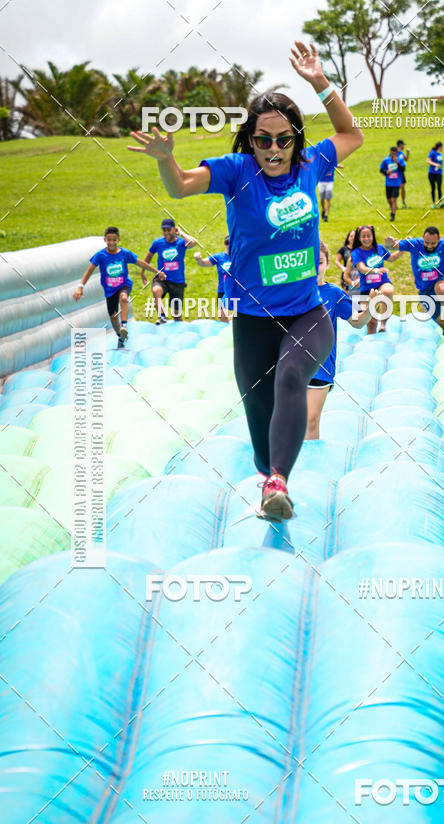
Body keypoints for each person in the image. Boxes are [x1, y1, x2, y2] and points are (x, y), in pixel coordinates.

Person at [128, 39, 363, 522]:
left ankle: (277, 485)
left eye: (283, 139)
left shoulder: (312, 163)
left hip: (307, 310)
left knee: (295, 376)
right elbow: (181, 185)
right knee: (260, 432)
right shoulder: (236, 172)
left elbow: (352, 134)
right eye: (262, 140)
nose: (273, 149)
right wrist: (164, 161)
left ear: (296, 138)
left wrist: (320, 82)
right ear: (249, 140)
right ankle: (269, 469)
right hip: (253, 320)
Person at [305, 241, 373, 439]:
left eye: (320, 262)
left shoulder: (334, 293)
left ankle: (311, 465)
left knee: (310, 420)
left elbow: (358, 323)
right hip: (292, 364)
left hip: (321, 365)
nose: (315, 267)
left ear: (327, 264)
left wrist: (370, 308)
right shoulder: (293, 292)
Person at [73, 226, 164, 348]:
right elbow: (89, 271)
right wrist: (80, 286)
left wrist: (156, 271)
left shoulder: (124, 253)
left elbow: (140, 262)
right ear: (105, 240)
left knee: (124, 298)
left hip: (123, 285)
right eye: (109, 240)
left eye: (114, 240)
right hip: (109, 290)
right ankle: (120, 336)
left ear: (118, 240)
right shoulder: (100, 255)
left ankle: (124, 326)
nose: (111, 242)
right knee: (113, 317)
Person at [141, 218, 196, 324]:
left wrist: (180, 233)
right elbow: (148, 257)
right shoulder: (157, 243)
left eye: (168, 230)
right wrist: (143, 272)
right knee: (156, 291)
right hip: (162, 277)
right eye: (164, 230)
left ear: (174, 229)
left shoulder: (180, 243)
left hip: (178, 281)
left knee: (177, 315)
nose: (166, 232)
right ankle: (162, 318)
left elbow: (193, 243)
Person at [350, 224, 402, 334]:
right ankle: (371, 337)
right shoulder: (356, 252)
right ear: (359, 238)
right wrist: (375, 270)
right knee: (371, 323)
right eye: (363, 236)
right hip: (367, 289)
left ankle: (383, 324)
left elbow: (392, 258)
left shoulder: (379, 248)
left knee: (388, 291)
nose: (366, 239)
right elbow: (362, 268)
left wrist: (405, 248)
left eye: (368, 236)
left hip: (382, 283)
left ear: (372, 236)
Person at [194, 236, 233, 323]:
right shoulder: (219, 257)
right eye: (227, 243)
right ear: (224, 244)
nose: (228, 245)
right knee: (222, 318)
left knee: (241, 317)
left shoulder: (238, 257)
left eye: (230, 243)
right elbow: (203, 263)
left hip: (236, 290)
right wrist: (198, 259)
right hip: (222, 290)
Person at [380, 145, 401, 220]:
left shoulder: (399, 159)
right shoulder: (386, 160)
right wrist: (386, 172)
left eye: (394, 153)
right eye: (392, 153)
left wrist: (397, 162)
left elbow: (403, 169)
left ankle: (393, 214)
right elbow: (381, 170)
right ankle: (392, 208)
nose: (393, 154)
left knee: (394, 199)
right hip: (388, 183)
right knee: (389, 199)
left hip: (396, 183)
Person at [427, 141, 444, 208]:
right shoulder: (432, 153)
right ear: (440, 147)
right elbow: (428, 161)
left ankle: (440, 202)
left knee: (439, 187)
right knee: (433, 188)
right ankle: (433, 203)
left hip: (439, 173)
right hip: (432, 173)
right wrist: (435, 164)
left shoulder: (440, 154)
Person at [396, 138, 409, 207]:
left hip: (402, 172)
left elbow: (406, 159)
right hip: (397, 172)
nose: (404, 146)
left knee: (403, 187)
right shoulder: (395, 152)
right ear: (400, 145)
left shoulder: (401, 152)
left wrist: (408, 153)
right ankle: (394, 203)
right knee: (397, 188)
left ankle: (403, 202)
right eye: (403, 145)